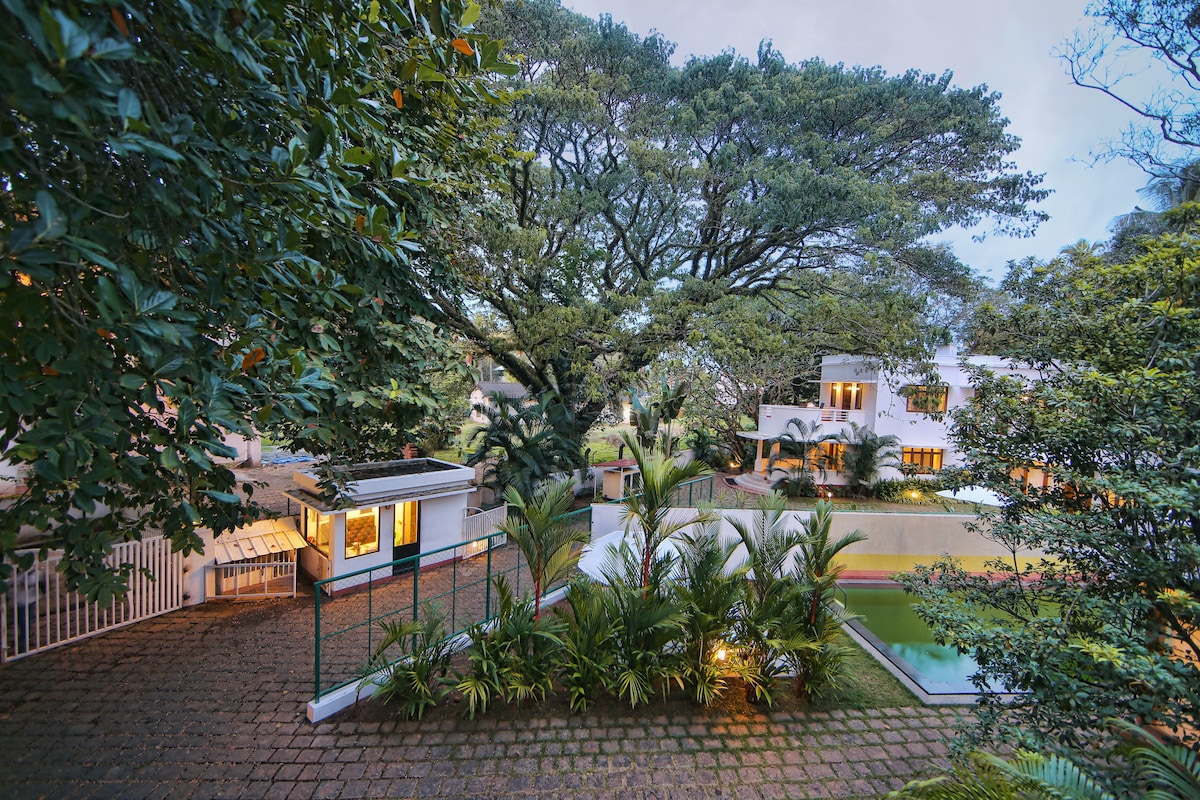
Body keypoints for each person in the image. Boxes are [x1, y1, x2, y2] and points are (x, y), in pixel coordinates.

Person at [11, 567, 42, 654]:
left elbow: (29, 582)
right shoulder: (15, 572)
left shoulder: (31, 573)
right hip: (18, 600)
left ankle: (24, 642)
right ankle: (23, 638)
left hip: (26, 600)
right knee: (21, 620)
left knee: (24, 621)